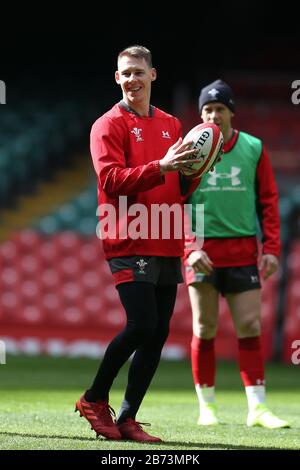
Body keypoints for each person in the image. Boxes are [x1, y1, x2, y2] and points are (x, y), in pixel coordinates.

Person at [75, 45, 201, 442]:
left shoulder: (171, 124)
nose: (132, 79)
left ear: (153, 75)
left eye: (138, 72)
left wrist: (197, 169)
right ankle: (94, 397)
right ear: (117, 78)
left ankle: (128, 418)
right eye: (125, 73)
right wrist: (160, 166)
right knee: (141, 323)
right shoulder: (107, 124)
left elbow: (180, 186)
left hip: (165, 234)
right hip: (128, 234)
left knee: (159, 331)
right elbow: (110, 180)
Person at [184, 79, 290, 429]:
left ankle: (257, 408)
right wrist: (189, 248)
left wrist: (271, 249)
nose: (214, 115)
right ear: (201, 114)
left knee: (250, 325)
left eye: (220, 109)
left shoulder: (253, 148)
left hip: (243, 249)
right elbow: (175, 203)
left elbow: (268, 201)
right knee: (205, 326)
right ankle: (207, 407)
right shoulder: (186, 149)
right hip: (203, 251)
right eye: (207, 110)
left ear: (232, 112)